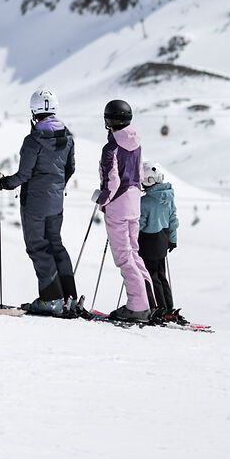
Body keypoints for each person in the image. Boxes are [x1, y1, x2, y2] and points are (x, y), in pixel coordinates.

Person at [0, 88, 82, 317]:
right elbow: (70, 168)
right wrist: (56, 186)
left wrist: (4, 183)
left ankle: (51, 299)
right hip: (56, 202)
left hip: (34, 203)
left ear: (34, 112)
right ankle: (69, 297)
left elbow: (24, 175)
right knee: (56, 245)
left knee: (38, 247)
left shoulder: (33, 140)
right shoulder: (67, 137)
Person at [95, 98, 152, 324]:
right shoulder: (137, 143)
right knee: (134, 252)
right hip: (134, 202)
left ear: (109, 120)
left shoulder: (111, 148)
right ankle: (150, 301)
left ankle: (138, 306)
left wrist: (102, 199)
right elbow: (139, 173)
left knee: (123, 256)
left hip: (118, 204)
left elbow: (113, 182)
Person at [138, 162, 180, 323]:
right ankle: (169, 308)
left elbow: (139, 224)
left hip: (148, 242)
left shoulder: (145, 202)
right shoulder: (168, 197)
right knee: (162, 275)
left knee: (151, 276)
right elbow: (173, 220)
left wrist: (130, 238)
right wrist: (172, 240)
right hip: (163, 239)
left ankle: (159, 310)